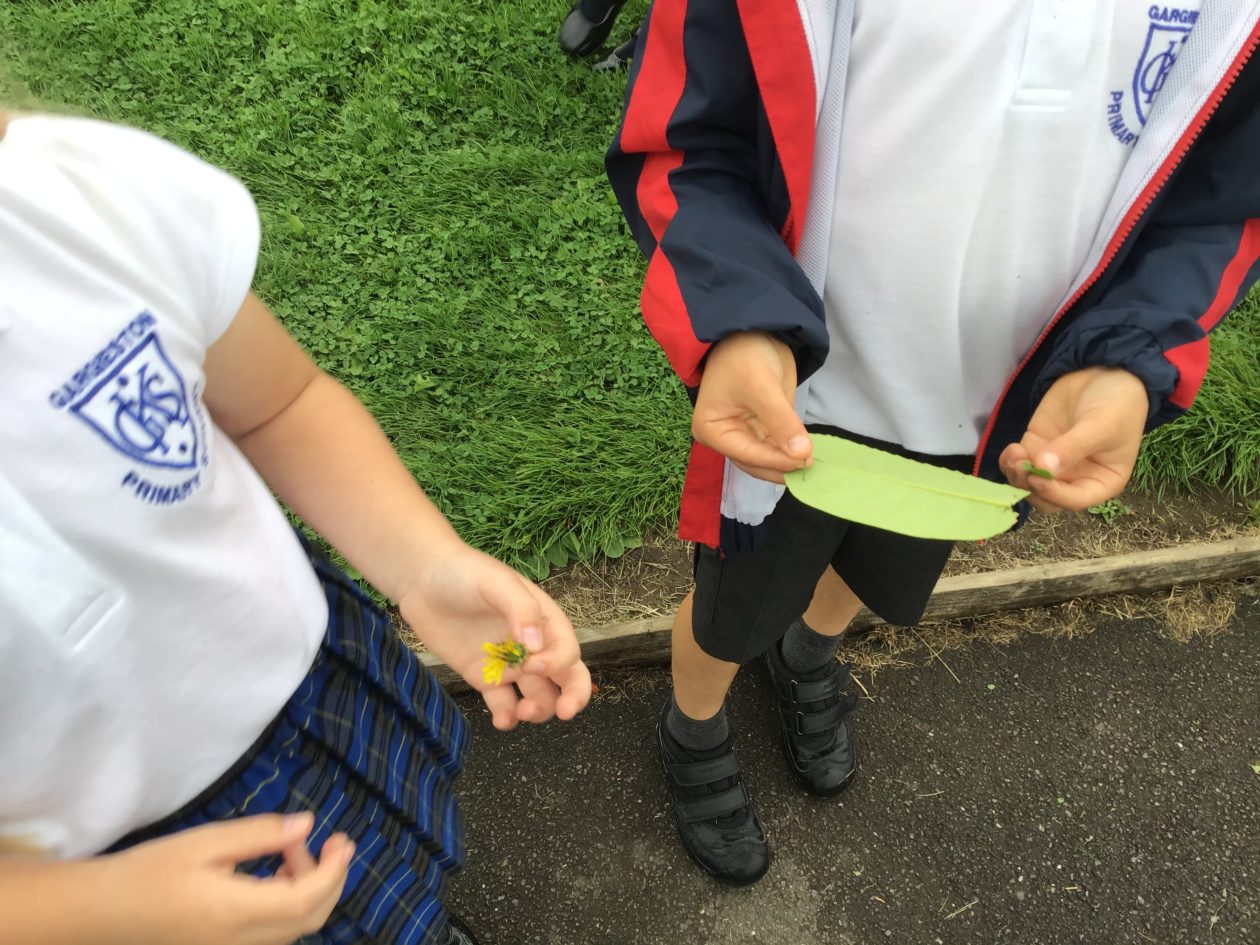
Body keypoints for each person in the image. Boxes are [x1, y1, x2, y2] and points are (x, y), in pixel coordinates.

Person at [608, 1, 1260, 885]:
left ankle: (805, 656)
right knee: (732, 609)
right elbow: (690, 135)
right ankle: (693, 725)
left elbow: (1222, 202)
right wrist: (737, 319)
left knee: (871, 572)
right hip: (795, 399)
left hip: (986, 416)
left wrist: (1126, 356)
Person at [0, 108, 592, 943]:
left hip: (308, 692)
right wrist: (100, 910)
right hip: (82, 886)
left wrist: (421, 565)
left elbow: (279, 404)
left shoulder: (70, 197)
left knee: (393, 893)